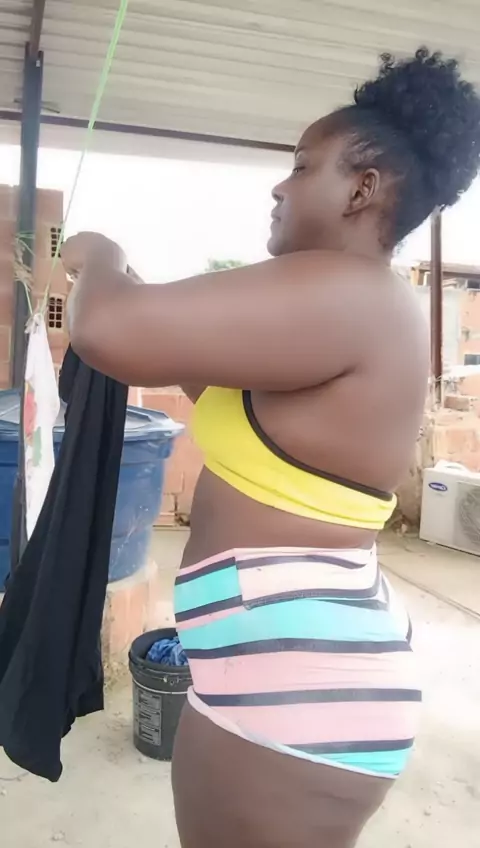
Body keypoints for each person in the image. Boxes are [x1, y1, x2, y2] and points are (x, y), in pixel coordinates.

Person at [61, 48, 480, 848]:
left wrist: (101, 257)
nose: (280, 187)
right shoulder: (351, 304)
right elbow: (200, 375)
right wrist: (139, 289)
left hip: (296, 687)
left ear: (362, 189)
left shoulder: (351, 290)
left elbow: (105, 329)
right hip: (280, 671)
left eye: (302, 165)